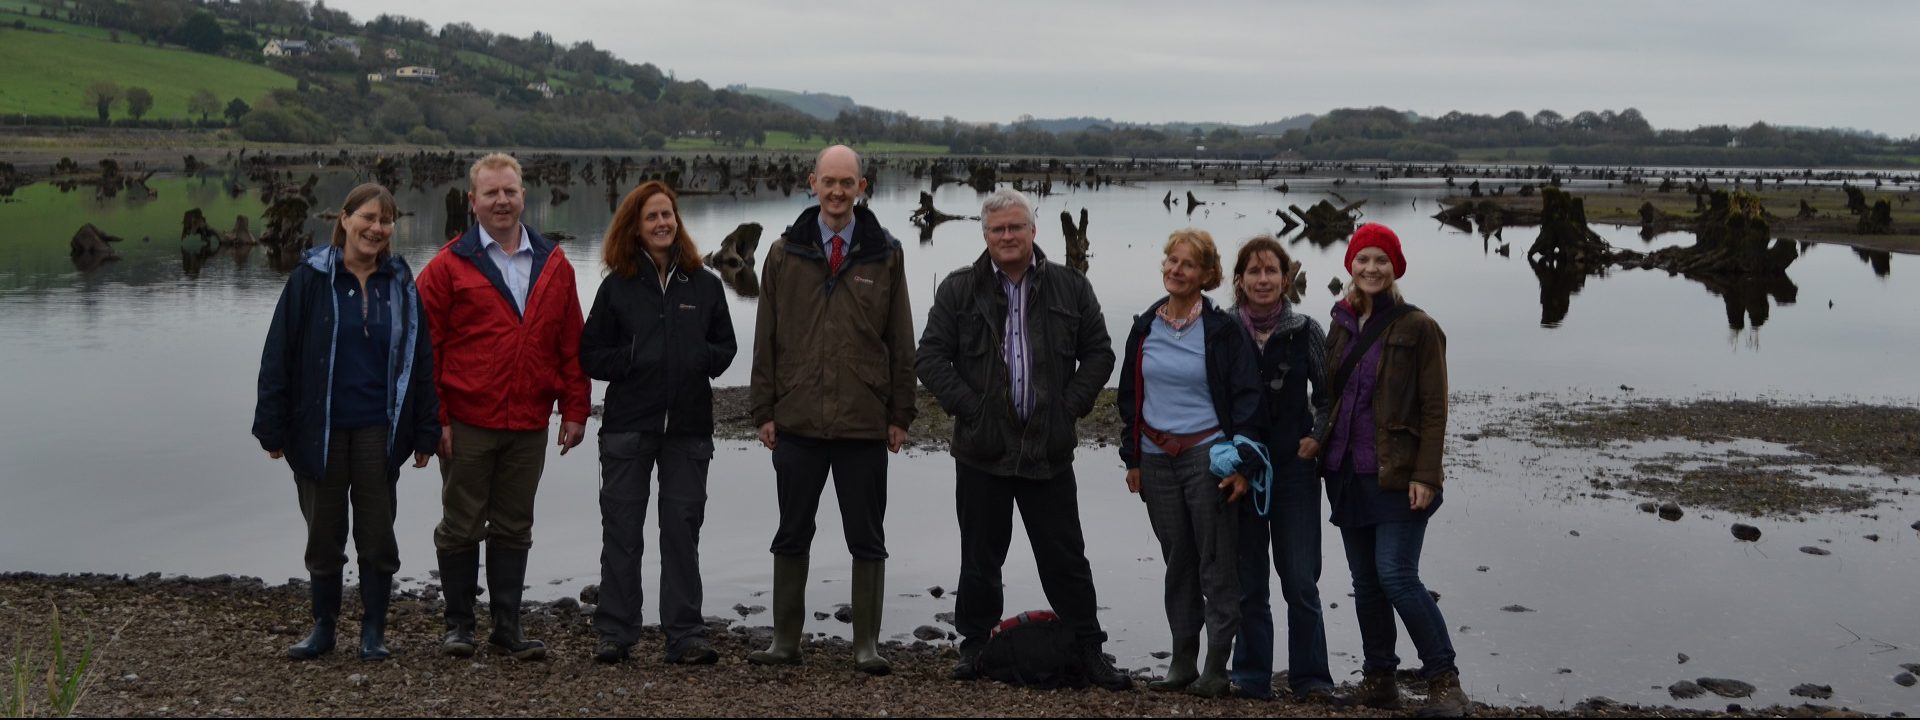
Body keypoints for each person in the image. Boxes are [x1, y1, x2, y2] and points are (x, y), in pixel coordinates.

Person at [914, 188, 1130, 691]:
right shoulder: (958, 289)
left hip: (1047, 451)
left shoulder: (1070, 287)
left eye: (1016, 227)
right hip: (980, 452)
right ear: (985, 236)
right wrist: (973, 409)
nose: (1007, 237)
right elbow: (929, 359)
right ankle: (974, 646)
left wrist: (1068, 407)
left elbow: (1099, 353)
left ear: (1034, 231)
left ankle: (1087, 648)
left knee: (1066, 558)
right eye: (997, 230)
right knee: (980, 557)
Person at [746, 145, 916, 675]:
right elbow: (765, 338)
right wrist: (762, 410)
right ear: (812, 183)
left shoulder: (885, 253)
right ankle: (784, 642)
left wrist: (900, 414)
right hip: (796, 417)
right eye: (829, 182)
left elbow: (901, 338)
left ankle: (865, 645)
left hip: (863, 420)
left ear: (862, 187)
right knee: (791, 531)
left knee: (867, 536)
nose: (838, 192)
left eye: (848, 183)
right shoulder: (783, 253)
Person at [416, 153, 591, 661]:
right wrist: (437, 420)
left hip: (529, 421)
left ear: (523, 196)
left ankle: (507, 627)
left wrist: (575, 408)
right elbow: (427, 350)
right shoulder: (447, 266)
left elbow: (569, 342)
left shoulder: (553, 263)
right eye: (490, 193)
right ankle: (459, 626)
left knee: (515, 523)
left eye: (509, 191)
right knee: (461, 523)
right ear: (472, 201)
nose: (501, 200)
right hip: (467, 421)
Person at [254, 183, 437, 662]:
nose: (376, 229)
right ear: (345, 218)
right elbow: (280, 352)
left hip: (380, 428)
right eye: (368, 218)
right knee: (324, 532)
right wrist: (270, 425)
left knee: (377, 534)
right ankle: (323, 628)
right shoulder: (310, 279)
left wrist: (425, 429)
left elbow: (419, 359)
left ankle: (373, 631)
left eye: (386, 221)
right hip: (320, 429)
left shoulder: (400, 282)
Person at [1306, 224, 1466, 716]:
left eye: (1381, 260)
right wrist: (1316, 437)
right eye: (1363, 260)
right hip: (1346, 474)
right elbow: (1329, 396)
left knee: (1397, 576)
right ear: (1350, 266)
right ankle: (1380, 680)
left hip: (1397, 475)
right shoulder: (1340, 323)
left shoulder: (1418, 327)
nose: (1371, 268)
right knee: (1367, 582)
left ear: (1395, 267)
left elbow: (1435, 409)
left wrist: (1427, 475)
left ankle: (1445, 683)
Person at [580, 181, 736, 665]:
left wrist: (696, 358)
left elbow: (726, 347)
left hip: (688, 429)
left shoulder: (704, 283)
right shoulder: (617, 286)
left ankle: (685, 634)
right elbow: (591, 354)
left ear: (677, 221)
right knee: (622, 532)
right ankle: (617, 632)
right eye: (652, 217)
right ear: (635, 226)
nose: (662, 223)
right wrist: (632, 358)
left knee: (681, 530)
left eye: (667, 215)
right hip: (628, 427)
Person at [1116, 228, 1266, 698]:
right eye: (1171, 261)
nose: (1176, 270)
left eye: (1187, 264)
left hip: (1208, 456)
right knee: (1177, 559)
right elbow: (1128, 398)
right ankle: (1182, 661)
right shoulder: (1145, 327)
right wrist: (1133, 457)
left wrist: (1242, 465)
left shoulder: (1223, 332)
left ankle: (1216, 667)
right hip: (1156, 459)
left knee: (1216, 561)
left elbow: (1247, 400)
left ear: (1207, 274)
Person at [1224, 236, 1334, 701]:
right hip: (1241, 474)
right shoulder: (1224, 330)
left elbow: (1330, 395)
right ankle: (1250, 676)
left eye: (1271, 271)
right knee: (1249, 582)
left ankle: (1311, 679)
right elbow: (1212, 396)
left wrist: (1316, 437)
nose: (1263, 280)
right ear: (1240, 280)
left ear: (1286, 278)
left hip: (1293, 472)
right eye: (1254, 271)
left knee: (1301, 581)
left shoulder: (1305, 329)